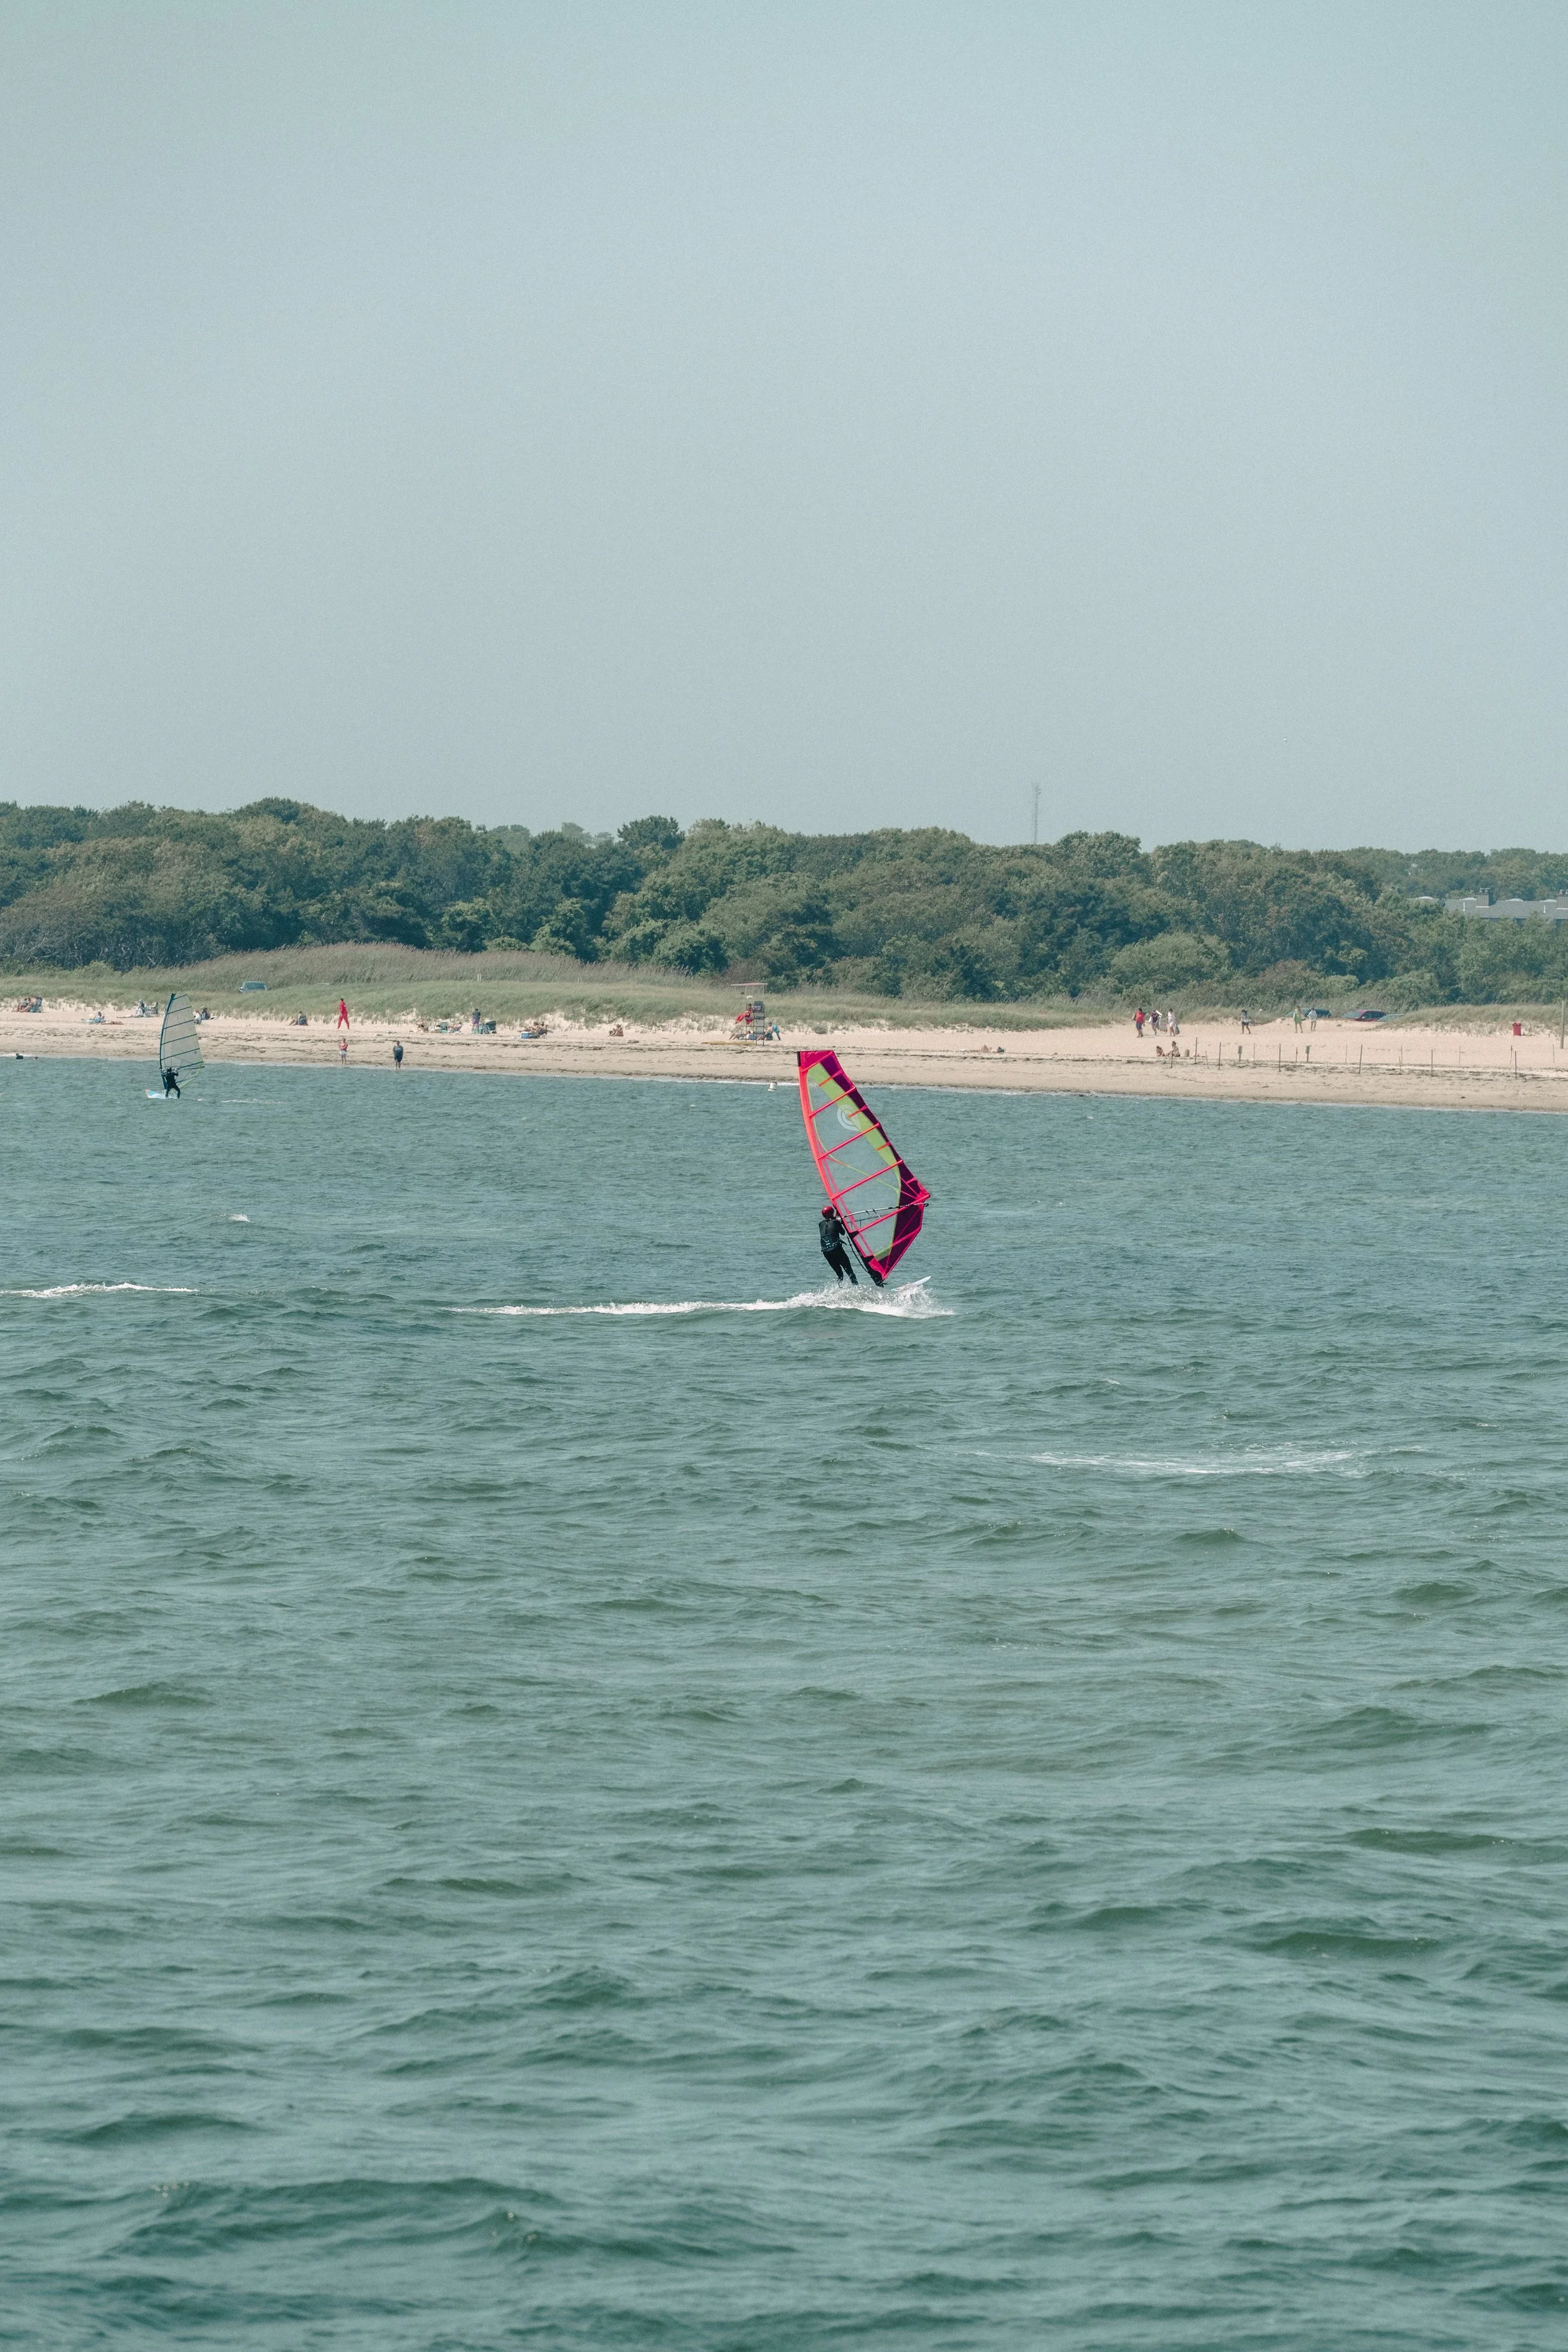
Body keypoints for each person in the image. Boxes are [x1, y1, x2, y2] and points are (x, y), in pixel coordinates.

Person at [818, 1204, 859, 1285]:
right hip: (837, 1250)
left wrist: (836, 1219)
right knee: (850, 1271)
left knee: (840, 1274)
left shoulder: (820, 1224)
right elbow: (843, 1233)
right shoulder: (836, 1222)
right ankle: (857, 1287)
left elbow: (830, 1229)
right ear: (832, 1214)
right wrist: (840, 1222)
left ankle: (839, 1288)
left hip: (826, 1252)